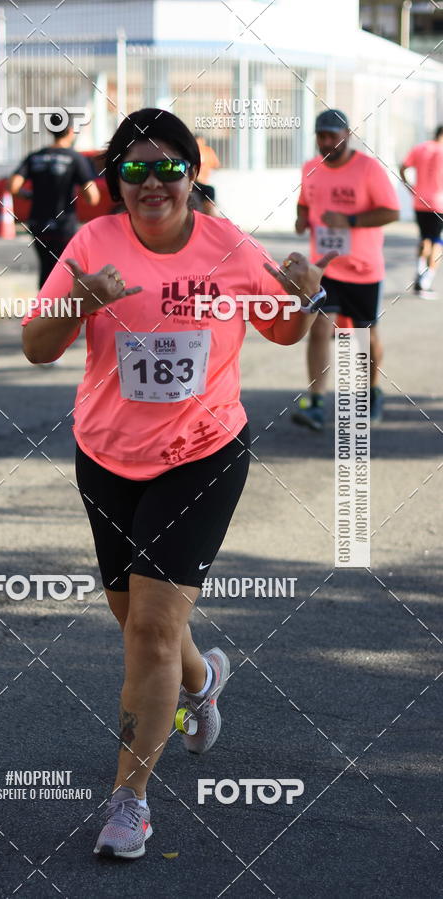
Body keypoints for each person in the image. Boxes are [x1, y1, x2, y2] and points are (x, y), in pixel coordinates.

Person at [22, 108, 334, 860]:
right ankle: (204, 678)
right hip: (105, 454)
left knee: (153, 631)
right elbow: (35, 346)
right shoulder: (91, 243)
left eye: (169, 167)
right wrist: (78, 304)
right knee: (138, 625)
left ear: (194, 174)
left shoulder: (230, 246)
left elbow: (283, 328)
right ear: (117, 180)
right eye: (135, 168)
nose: (153, 181)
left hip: (203, 453)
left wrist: (300, 295)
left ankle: (130, 799)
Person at [293, 109, 399, 430]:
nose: (326, 143)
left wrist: (350, 221)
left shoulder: (368, 169)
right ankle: (316, 401)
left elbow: (391, 212)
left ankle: (372, 391)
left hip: (363, 269)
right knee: (320, 329)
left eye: (332, 136)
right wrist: (300, 218)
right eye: (321, 136)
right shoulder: (311, 168)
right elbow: (304, 202)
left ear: (347, 135)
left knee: (364, 336)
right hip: (324, 269)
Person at [9, 113, 100, 289]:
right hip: (63, 225)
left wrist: (29, 195)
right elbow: (93, 197)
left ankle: (43, 310)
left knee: (46, 268)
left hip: (38, 223)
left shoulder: (35, 157)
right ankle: (61, 312)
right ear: (71, 131)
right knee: (64, 273)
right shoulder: (75, 158)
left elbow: (13, 185)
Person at [400, 126, 443, 298]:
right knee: (437, 241)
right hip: (439, 203)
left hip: (420, 201)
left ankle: (420, 272)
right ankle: (425, 282)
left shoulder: (420, 148)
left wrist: (410, 187)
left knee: (425, 237)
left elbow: (403, 167)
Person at [194, 134, 221, 215]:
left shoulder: (208, 151)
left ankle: (210, 215)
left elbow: (216, 165)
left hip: (204, 181)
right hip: (195, 182)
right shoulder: (192, 152)